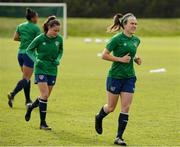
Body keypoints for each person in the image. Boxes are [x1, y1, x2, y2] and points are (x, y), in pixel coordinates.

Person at [95, 13, 142, 146]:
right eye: (132, 23)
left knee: (126, 107)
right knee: (110, 108)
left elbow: (131, 51)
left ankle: (119, 137)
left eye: (136, 23)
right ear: (124, 25)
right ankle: (99, 117)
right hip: (115, 77)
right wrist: (120, 59)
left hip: (130, 77)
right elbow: (104, 55)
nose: (134, 26)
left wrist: (136, 58)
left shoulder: (136, 40)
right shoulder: (116, 39)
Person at [24, 16, 63, 130]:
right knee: (45, 95)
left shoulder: (59, 39)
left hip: (52, 69)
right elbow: (29, 50)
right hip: (41, 69)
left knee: (45, 96)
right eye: (55, 30)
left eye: (58, 31)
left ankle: (31, 106)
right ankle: (43, 123)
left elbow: (61, 51)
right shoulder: (40, 38)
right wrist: (36, 60)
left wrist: (58, 59)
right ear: (48, 28)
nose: (57, 33)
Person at [8, 8, 40, 108]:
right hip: (29, 55)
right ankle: (12, 94)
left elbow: (15, 38)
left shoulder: (20, 26)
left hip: (20, 54)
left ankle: (27, 100)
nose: (38, 18)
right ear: (33, 18)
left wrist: (25, 39)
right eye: (37, 17)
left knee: (26, 78)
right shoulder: (36, 28)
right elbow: (38, 42)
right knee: (26, 78)